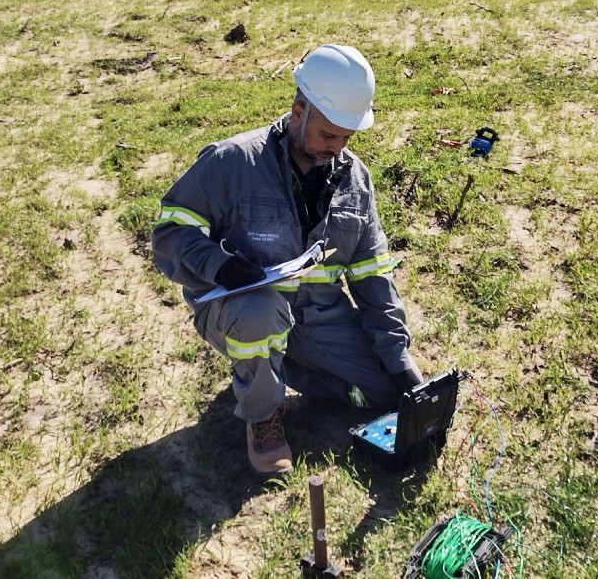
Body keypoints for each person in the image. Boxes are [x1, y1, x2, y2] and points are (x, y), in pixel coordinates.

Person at [151, 44, 424, 479]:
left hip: (317, 316)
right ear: (299, 112)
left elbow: (374, 275)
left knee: (390, 393)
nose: (337, 149)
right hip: (240, 311)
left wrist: (399, 359)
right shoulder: (232, 161)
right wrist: (218, 265)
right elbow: (169, 232)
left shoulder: (355, 180)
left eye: (347, 139)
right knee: (263, 312)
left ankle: (278, 368)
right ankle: (262, 416)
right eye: (328, 135)